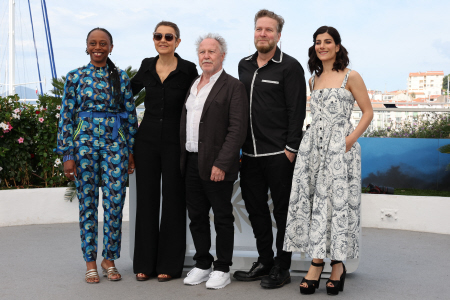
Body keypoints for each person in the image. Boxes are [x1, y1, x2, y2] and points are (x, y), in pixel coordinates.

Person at [283, 26, 373, 296]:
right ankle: (319, 261)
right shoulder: (314, 79)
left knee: (337, 205)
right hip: (314, 148)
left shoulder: (350, 76)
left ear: (337, 46)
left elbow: (368, 112)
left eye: (327, 42)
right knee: (315, 204)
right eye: (317, 42)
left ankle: (336, 264)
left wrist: (349, 140)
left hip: (341, 149)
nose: (322, 46)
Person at [56, 27, 137, 283]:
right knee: (87, 205)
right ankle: (90, 261)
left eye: (103, 43)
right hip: (84, 147)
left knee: (114, 204)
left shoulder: (121, 77)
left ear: (111, 47)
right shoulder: (75, 77)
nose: (98, 47)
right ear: (87, 46)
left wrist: (131, 151)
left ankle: (109, 259)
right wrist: (67, 153)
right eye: (93, 43)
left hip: (115, 145)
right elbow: (66, 118)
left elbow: (131, 116)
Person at [233, 9, 306, 289]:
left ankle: (282, 267)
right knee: (256, 211)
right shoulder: (244, 65)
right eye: (258, 29)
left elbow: (296, 110)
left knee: (282, 214)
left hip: (279, 155)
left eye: (268, 30)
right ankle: (264, 261)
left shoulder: (290, 66)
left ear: (278, 35)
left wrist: (290, 149)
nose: (262, 34)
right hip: (249, 156)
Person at [130, 21, 198, 282]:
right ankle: (144, 263)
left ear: (177, 41)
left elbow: (198, 102)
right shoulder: (147, 65)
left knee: (173, 200)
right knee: (146, 201)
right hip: (145, 140)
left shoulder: (188, 69)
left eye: (169, 36)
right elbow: (126, 96)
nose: (163, 40)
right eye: (158, 36)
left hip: (175, 141)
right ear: (154, 39)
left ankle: (169, 264)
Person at [181, 33, 248, 289]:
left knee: (221, 217)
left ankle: (222, 268)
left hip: (217, 164)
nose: (206, 56)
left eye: (212, 51)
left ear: (222, 56)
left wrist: (222, 163)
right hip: (190, 161)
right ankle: (202, 263)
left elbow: (237, 129)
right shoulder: (193, 85)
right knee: (196, 216)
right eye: (202, 52)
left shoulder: (233, 86)